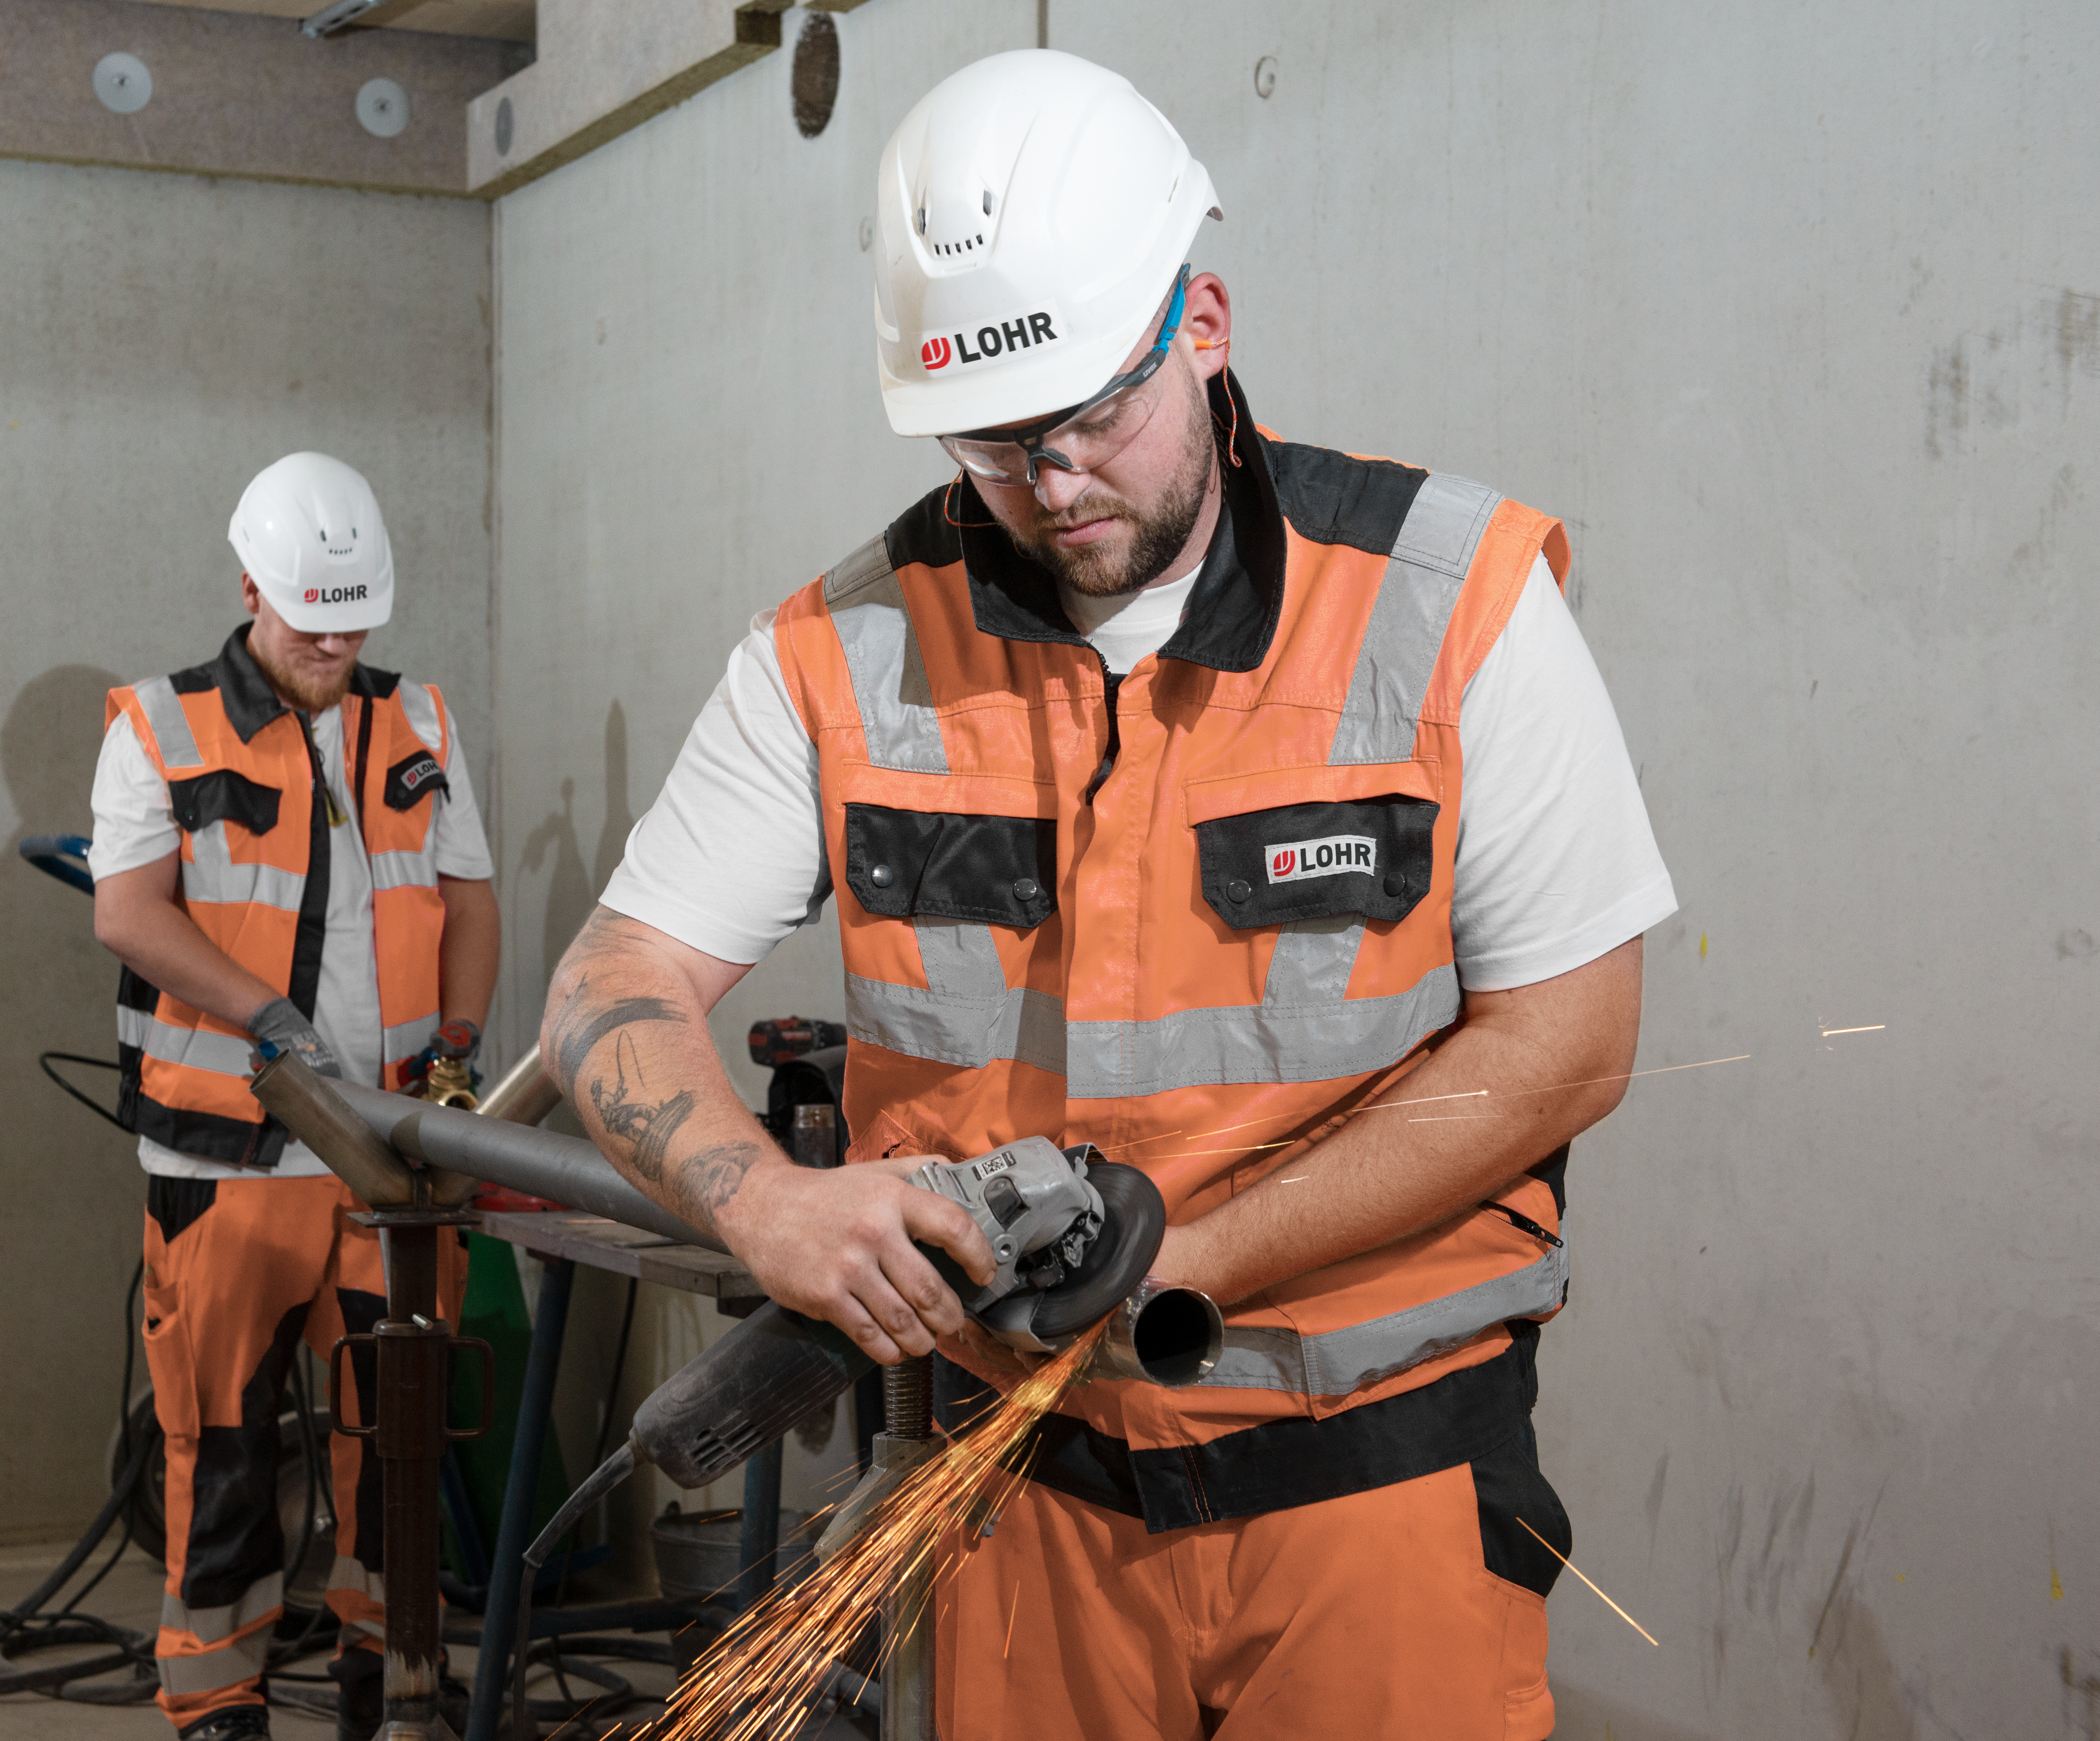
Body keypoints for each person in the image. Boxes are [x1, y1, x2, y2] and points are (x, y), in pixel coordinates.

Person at [540, 50, 1675, 1741]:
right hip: (1021, 1512)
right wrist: (768, 1207)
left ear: (1200, 323)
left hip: (1377, 1497)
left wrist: (1188, 1259)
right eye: (994, 442)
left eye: (1094, 413)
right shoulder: (840, 656)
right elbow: (608, 982)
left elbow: (1570, 1042)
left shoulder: (1452, 606)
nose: (1054, 477)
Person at [91, 452, 499, 1741]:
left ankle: (397, 1683)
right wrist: (263, 1014)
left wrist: (458, 1047)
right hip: (229, 1163)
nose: (335, 644)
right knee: (221, 1445)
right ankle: (217, 1704)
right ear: (252, 589)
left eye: (355, 620)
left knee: (400, 1451)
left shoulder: (418, 720)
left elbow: (471, 899)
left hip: (392, 1162)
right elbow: (127, 915)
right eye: (312, 621)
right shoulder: (156, 726)